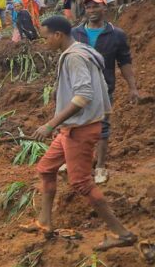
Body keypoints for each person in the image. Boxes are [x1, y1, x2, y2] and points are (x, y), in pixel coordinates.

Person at [29, 16, 136, 251]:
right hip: (72, 128)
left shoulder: (75, 58)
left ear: (58, 35)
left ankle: (123, 234)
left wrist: (50, 124)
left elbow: (83, 96)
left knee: (81, 183)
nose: (44, 41)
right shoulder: (79, 50)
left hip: (81, 128)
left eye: (46, 36)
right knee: (46, 169)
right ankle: (44, 221)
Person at [70, 0, 141, 184]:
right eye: (89, 7)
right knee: (77, 125)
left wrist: (132, 87)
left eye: (96, 7)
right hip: (78, 88)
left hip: (104, 87)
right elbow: (67, 60)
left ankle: (100, 166)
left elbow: (124, 61)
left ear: (105, 8)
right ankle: (81, 162)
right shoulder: (76, 33)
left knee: (102, 127)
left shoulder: (116, 35)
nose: (91, 11)